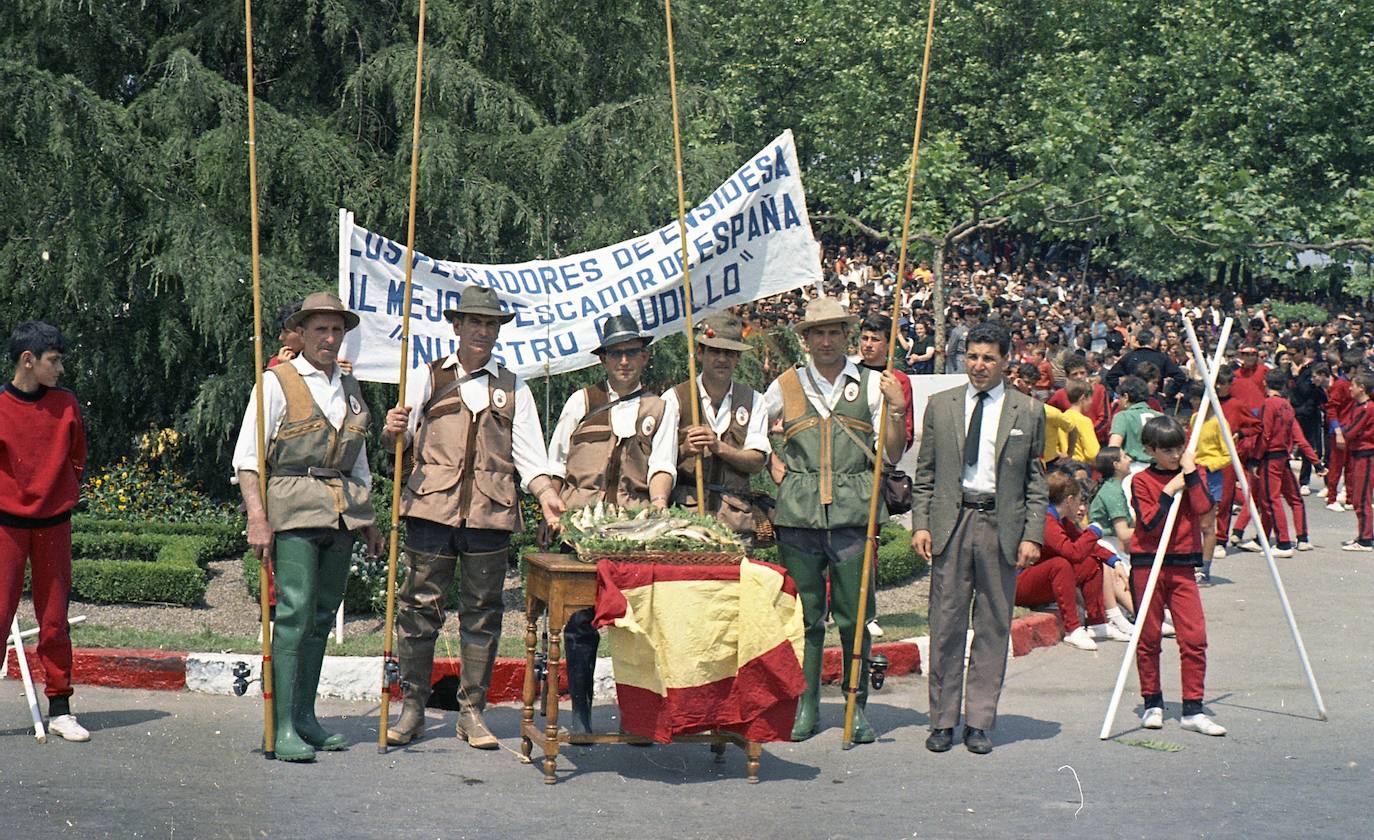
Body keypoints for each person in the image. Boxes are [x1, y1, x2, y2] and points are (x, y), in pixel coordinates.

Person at [381, 287, 564, 748]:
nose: (483, 332)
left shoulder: (513, 386)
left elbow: (532, 457)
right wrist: (391, 432)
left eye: (491, 324)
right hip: (430, 510)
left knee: (482, 615)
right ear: (456, 327)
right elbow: (397, 447)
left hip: (491, 514)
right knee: (418, 610)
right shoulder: (429, 377)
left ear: (498, 331)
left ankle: (472, 713)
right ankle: (413, 709)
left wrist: (546, 496)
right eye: (474, 323)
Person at [232, 292, 385, 761]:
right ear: (301, 333)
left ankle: (305, 718)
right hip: (293, 507)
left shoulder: (351, 388)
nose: (329, 338)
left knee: (321, 615)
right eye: (320, 329)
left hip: (340, 512)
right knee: (295, 616)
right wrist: (257, 518)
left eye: (336, 330)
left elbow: (358, 459)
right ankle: (278, 728)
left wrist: (369, 519)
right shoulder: (277, 381)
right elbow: (248, 459)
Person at [764, 297, 908, 744]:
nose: (826, 341)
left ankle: (855, 705)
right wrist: (773, 459)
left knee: (854, 616)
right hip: (799, 516)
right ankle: (806, 705)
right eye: (817, 333)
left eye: (834, 332)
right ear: (805, 340)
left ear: (847, 336)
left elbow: (894, 451)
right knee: (806, 617)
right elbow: (755, 435)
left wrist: (897, 409)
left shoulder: (870, 384)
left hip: (853, 514)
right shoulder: (784, 385)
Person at [912, 320, 1048, 755]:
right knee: (946, 623)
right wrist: (921, 523)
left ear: (1006, 361)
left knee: (992, 625)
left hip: (999, 527)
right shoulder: (942, 405)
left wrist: (1032, 535)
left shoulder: (1027, 410)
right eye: (972, 356)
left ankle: (980, 722)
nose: (979, 365)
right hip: (952, 524)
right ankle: (942, 721)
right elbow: (926, 474)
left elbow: (1035, 482)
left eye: (989, 358)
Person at [547, 312, 679, 733]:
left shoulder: (661, 408)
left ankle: (636, 719)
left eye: (633, 353)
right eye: (617, 354)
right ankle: (581, 716)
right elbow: (556, 462)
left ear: (644, 358)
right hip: (581, 528)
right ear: (603, 360)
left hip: (634, 530)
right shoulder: (581, 402)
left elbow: (663, 465)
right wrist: (551, 509)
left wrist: (659, 503)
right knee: (580, 623)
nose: (625, 362)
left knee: (635, 625)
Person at [0, 321, 89, 742]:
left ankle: (61, 708)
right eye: (54, 361)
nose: (61, 369)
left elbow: (77, 456)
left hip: (55, 523)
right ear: (28, 361)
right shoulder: (1, 406)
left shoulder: (66, 404)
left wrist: (60, 491)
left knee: (54, 620)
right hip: (7, 526)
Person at [1128, 415, 1225, 736]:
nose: (1173, 455)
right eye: (1166, 450)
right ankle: (1152, 702)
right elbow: (1150, 522)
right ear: (1150, 450)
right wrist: (1170, 488)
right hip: (1148, 564)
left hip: (1183, 565)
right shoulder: (1141, 481)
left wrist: (1190, 474)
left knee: (1194, 638)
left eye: (1178, 448)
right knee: (1150, 637)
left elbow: (1202, 509)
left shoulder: (1189, 474)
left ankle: (1193, 710)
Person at [664, 312, 770, 541]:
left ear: (738, 358)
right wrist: (684, 451)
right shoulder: (675, 398)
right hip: (685, 518)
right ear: (700, 353)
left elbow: (757, 461)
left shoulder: (754, 400)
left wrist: (718, 447)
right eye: (715, 351)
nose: (722, 359)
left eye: (729, 353)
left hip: (735, 520)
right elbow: (657, 464)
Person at [1015, 473, 1126, 650]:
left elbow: (1085, 544)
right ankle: (1072, 629)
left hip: (1039, 583)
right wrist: (1094, 531)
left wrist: (1115, 561)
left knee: (1091, 562)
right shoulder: (1047, 521)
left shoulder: (1062, 520)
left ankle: (1098, 623)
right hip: (1020, 585)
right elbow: (1072, 552)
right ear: (1069, 500)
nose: (1081, 506)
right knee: (1060, 564)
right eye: (1079, 501)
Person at [1251, 369, 1322, 557]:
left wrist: (1255, 458)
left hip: (1270, 456)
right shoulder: (1288, 406)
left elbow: (1265, 434)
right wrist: (1317, 463)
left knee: (1270, 500)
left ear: (1265, 383)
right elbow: (1299, 437)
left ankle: (1283, 543)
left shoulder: (1268, 404)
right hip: (1284, 456)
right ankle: (1301, 537)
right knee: (1294, 498)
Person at [857, 314, 914, 448]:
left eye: (875, 339)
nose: (868, 345)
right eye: (865, 338)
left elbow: (906, 430)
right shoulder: (851, 374)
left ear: (889, 343)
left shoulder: (899, 380)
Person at [1339, 373, 1374, 552]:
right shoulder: (1358, 406)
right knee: (1358, 495)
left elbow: (1351, 431)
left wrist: (1342, 432)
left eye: (1353, 385)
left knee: (1362, 497)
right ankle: (1364, 534)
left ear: (1362, 388)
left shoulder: (1367, 408)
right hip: (1357, 453)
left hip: (1366, 455)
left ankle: (1366, 539)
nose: (1350, 388)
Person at [1047, 353, 1113, 444]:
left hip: (1097, 441)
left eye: (1082, 373)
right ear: (1067, 376)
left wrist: (1087, 434)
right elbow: (1050, 415)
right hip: (1071, 444)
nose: (1079, 376)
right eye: (1074, 374)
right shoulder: (1060, 394)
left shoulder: (1099, 390)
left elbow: (1105, 419)